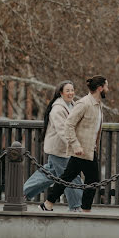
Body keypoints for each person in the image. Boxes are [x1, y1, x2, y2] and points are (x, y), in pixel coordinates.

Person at [39, 75, 108, 212]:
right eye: (106, 86)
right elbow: (69, 124)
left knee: (67, 177)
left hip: (87, 149)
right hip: (82, 149)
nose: (108, 89)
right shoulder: (84, 104)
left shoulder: (97, 104)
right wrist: (75, 145)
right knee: (92, 179)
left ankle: (48, 203)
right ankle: (85, 210)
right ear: (100, 88)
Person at [23, 80, 84, 212]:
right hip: (60, 150)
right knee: (72, 177)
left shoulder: (72, 105)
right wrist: (74, 145)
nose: (71, 93)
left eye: (72, 90)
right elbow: (62, 131)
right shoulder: (57, 109)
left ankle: (23, 193)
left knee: (49, 174)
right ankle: (75, 207)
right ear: (61, 92)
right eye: (67, 90)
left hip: (64, 149)